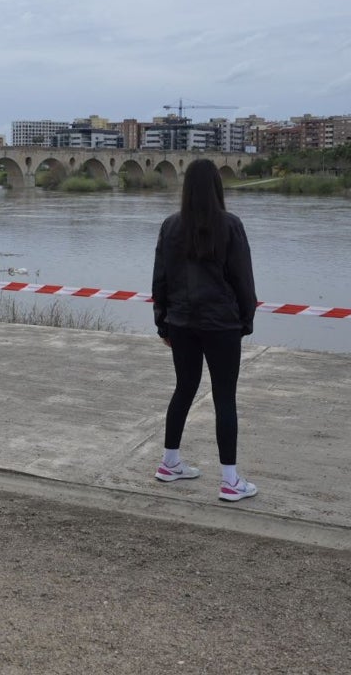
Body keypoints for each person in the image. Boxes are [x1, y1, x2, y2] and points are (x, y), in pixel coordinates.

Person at [151, 158, 259, 502]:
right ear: (217, 187)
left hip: (182, 322)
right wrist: (246, 321)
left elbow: (161, 279)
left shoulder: (170, 226)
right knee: (224, 397)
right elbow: (243, 279)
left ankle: (170, 463)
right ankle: (230, 481)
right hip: (221, 324)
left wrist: (162, 322)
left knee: (184, 389)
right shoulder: (229, 225)